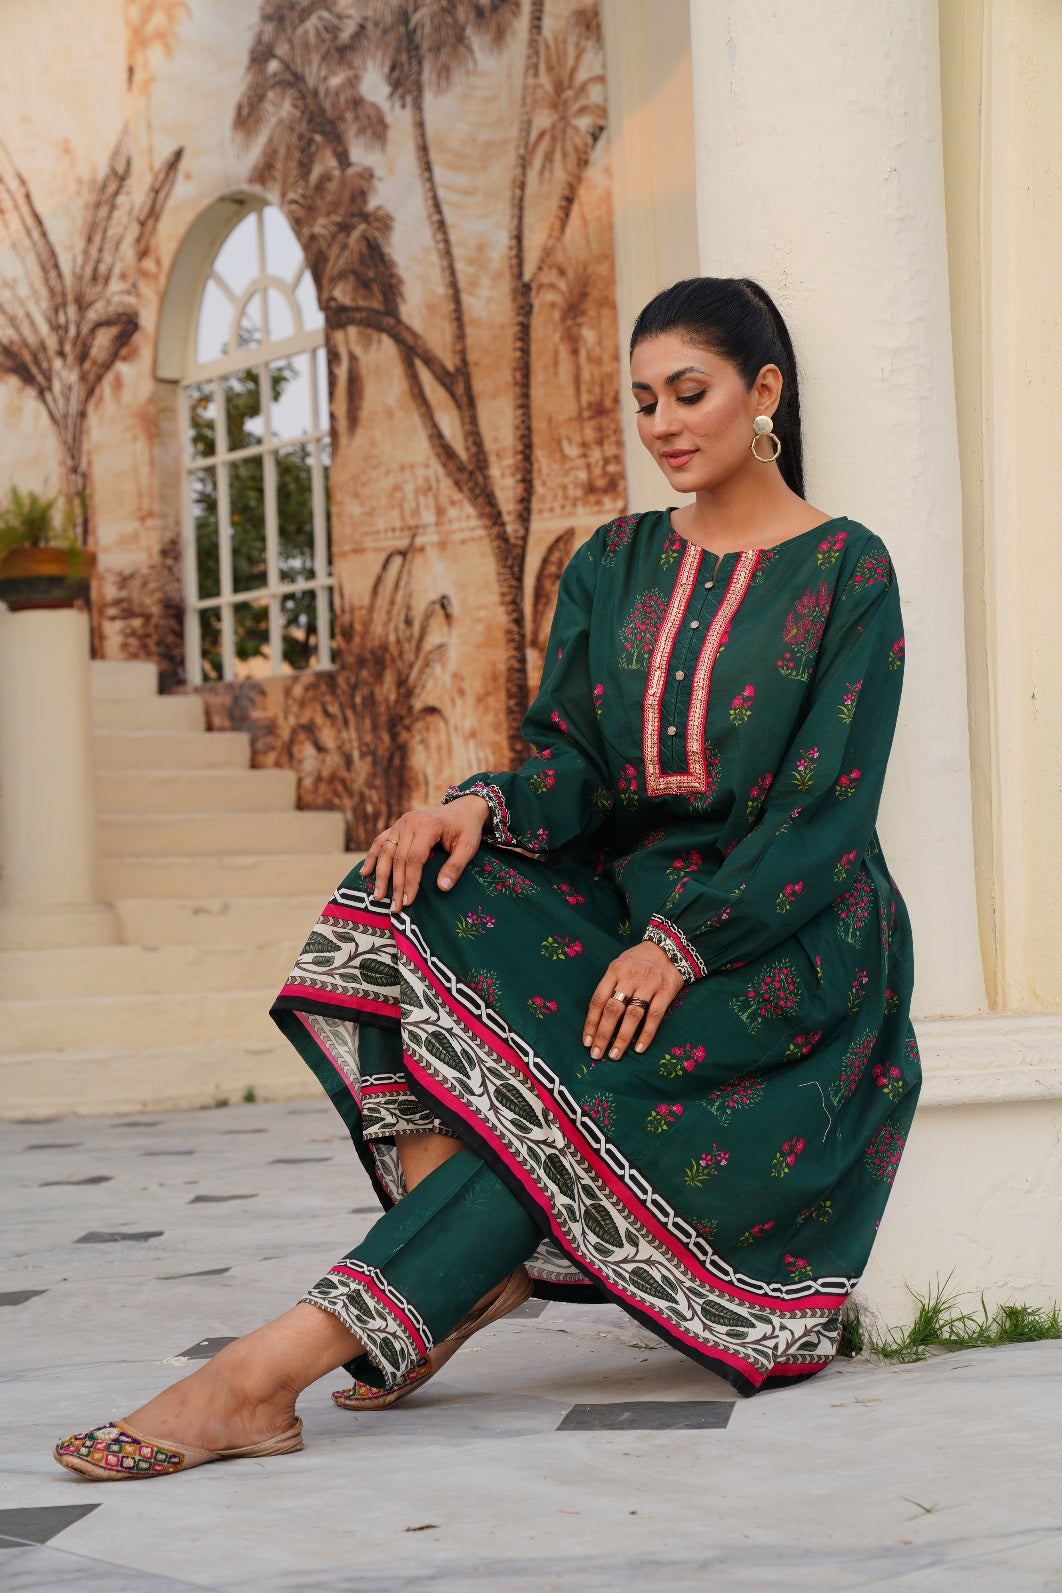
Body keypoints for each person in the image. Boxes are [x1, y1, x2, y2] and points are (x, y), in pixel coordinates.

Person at [55, 277, 919, 1481]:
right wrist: (475, 807)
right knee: (403, 887)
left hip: (783, 937)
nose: (663, 424)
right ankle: (457, 1282)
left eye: (689, 393)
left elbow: (826, 810)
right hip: (627, 903)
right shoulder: (615, 560)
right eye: (644, 402)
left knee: (584, 1086)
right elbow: (573, 765)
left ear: (763, 391)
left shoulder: (845, 569)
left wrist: (684, 946)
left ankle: (258, 1377)